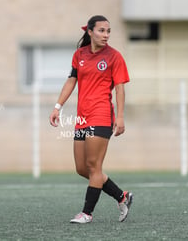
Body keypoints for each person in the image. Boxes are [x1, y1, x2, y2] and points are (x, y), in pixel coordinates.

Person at [49, 15, 133, 224]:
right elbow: (71, 81)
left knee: (94, 166)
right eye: (102, 30)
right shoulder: (80, 55)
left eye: (108, 31)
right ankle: (122, 196)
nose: (106, 35)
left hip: (102, 115)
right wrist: (57, 107)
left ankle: (86, 213)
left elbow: (120, 89)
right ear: (90, 32)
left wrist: (120, 117)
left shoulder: (114, 56)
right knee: (82, 169)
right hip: (82, 118)